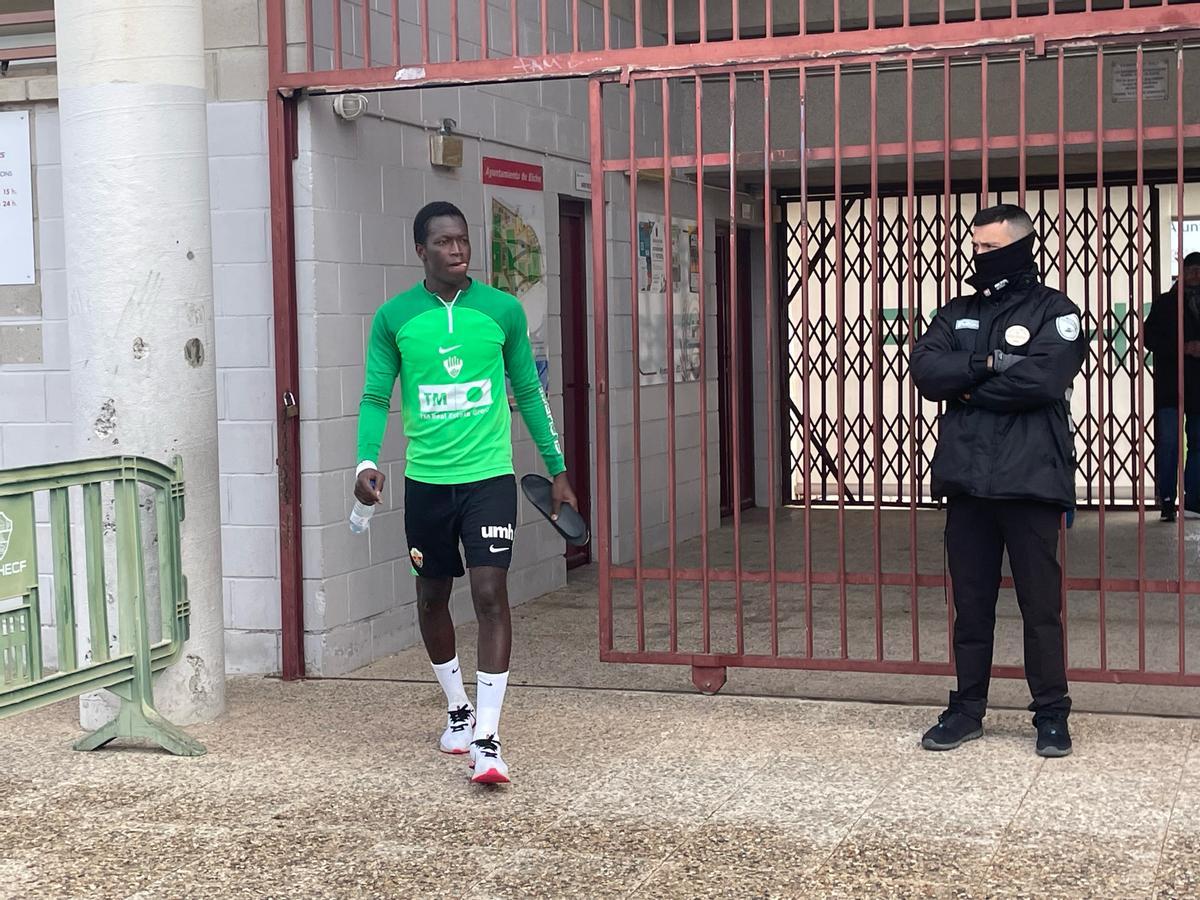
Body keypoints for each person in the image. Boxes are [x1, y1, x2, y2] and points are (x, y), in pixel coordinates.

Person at [354, 201, 577, 785]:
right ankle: (457, 710)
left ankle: (488, 739)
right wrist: (366, 460)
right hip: (428, 482)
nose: (458, 250)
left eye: (463, 240)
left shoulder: (502, 312)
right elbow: (377, 396)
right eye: (445, 243)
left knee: (488, 592)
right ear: (421, 251)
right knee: (432, 597)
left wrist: (557, 467)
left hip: (488, 479)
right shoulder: (393, 317)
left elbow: (528, 392)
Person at [911, 204, 1086, 758]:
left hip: (1031, 481)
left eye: (989, 248)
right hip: (967, 483)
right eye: (975, 247)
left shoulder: (1055, 311)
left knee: (1040, 608)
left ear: (1018, 246)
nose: (977, 256)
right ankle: (965, 711)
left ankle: (1052, 715)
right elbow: (926, 371)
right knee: (972, 605)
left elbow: (1044, 379)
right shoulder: (957, 310)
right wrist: (989, 363)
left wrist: (965, 386)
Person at [1143, 251, 1200, 522]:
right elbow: (1149, 338)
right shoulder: (1166, 303)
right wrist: (1182, 347)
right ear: (1183, 272)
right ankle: (1167, 499)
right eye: (1192, 270)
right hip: (1170, 385)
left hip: (1198, 387)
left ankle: (1194, 499)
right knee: (1169, 443)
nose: (1196, 275)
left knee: (1198, 443)